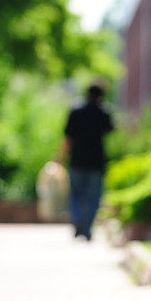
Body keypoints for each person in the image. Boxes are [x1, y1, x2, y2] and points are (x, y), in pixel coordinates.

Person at [61, 83, 113, 241]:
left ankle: (78, 220)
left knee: (76, 194)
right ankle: (87, 227)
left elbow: (68, 137)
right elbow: (110, 130)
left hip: (77, 160)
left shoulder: (76, 111)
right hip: (96, 161)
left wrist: (60, 156)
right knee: (94, 196)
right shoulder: (103, 112)